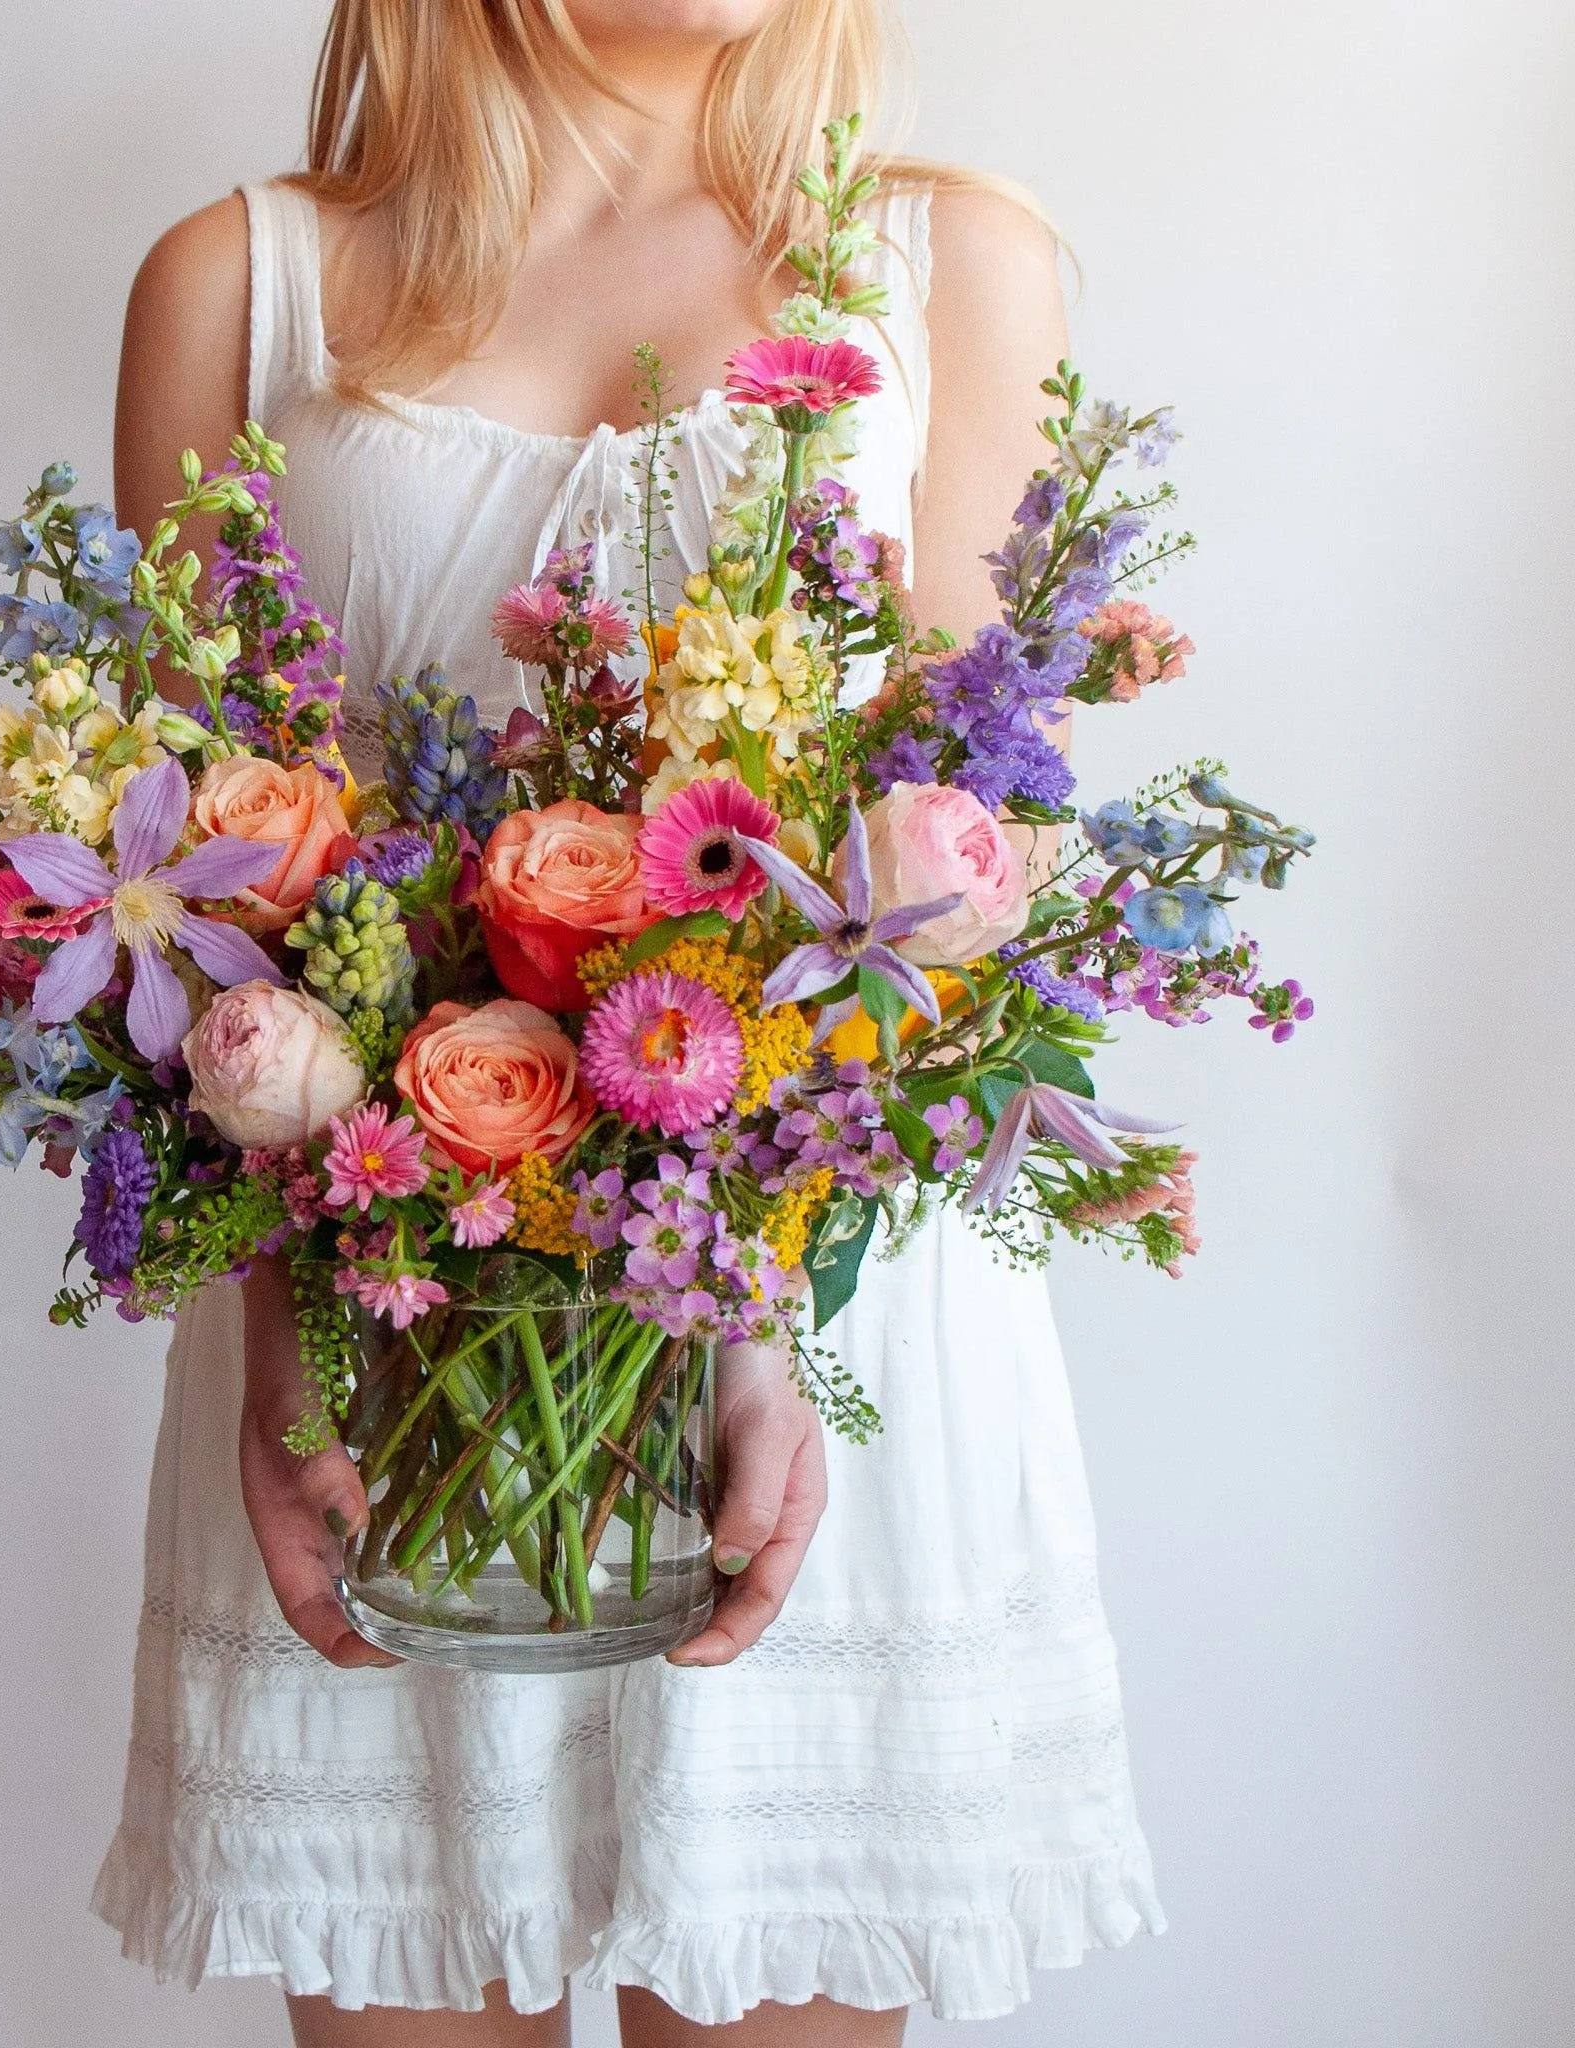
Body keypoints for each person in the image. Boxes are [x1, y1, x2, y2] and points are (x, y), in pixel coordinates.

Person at [95, 4, 1164, 2041]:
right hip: (382, 1349)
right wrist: (286, 1352)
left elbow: (936, 885)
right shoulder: (244, 287)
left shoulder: (949, 262)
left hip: (824, 1351)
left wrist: (758, 1297)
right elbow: (200, 910)